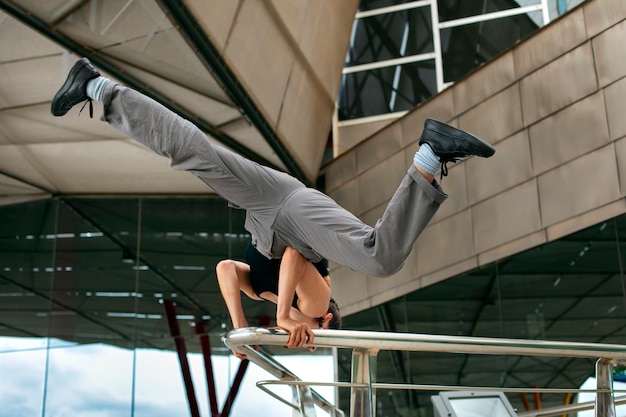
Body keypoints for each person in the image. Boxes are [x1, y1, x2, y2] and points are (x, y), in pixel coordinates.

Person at [51, 57, 495, 347]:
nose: (305, 333)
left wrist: (242, 325)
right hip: (294, 217)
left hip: (269, 207)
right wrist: (285, 315)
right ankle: (429, 155)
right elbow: (299, 257)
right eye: (316, 334)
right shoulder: (318, 306)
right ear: (324, 323)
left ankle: (96, 88)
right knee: (381, 258)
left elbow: (227, 269)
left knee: (193, 154)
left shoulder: (267, 292)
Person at [216, 242, 341, 358]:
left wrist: (240, 327)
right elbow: (293, 252)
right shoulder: (318, 308)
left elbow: (225, 267)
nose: (312, 346)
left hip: (260, 225)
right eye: (318, 337)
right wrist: (283, 316)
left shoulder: (260, 293)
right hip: (282, 224)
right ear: (326, 318)